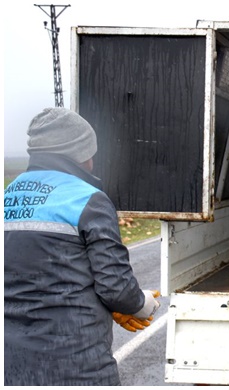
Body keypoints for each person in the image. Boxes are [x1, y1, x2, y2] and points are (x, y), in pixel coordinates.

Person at [4, 107, 161, 386]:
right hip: (76, 364)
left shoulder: (8, 197)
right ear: (80, 154)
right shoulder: (88, 200)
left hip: (11, 365)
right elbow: (116, 288)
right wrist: (141, 303)